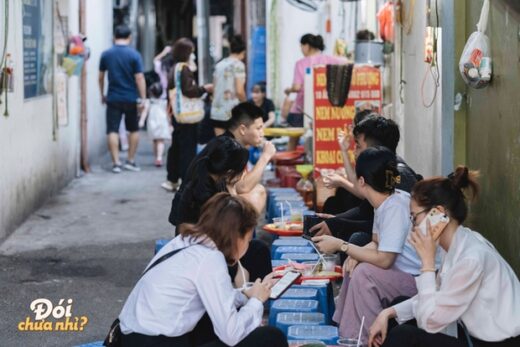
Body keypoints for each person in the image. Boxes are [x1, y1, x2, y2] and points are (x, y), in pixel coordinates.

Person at [368, 167, 520, 347]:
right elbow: (435, 297)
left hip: (502, 344)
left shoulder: (471, 258)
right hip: (472, 338)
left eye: (414, 218)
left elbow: (430, 322)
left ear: (438, 213)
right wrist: (388, 312)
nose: (413, 227)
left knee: (404, 336)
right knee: (397, 308)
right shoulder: (456, 244)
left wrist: (427, 263)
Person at [120, 193, 288, 347]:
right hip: (156, 342)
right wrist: (256, 301)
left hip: (130, 338)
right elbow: (231, 334)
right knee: (271, 337)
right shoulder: (210, 259)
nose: (248, 244)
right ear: (237, 236)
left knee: (217, 319)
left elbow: (218, 297)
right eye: (248, 238)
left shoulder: (184, 241)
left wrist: (246, 295)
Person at [312, 146, 427, 344]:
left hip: (418, 280)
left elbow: (385, 259)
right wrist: (354, 254)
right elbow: (375, 242)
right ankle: (344, 332)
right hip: (402, 273)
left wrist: (342, 246)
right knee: (354, 263)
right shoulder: (383, 203)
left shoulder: (395, 206)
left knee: (365, 273)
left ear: (362, 181)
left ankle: (364, 338)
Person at [169, 136, 272, 285]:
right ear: (230, 172)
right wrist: (232, 193)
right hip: (206, 255)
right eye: (241, 171)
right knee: (259, 251)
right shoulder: (215, 196)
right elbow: (235, 234)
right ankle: (259, 298)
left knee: (256, 249)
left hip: (196, 247)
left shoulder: (201, 177)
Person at [311, 116, 422, 247]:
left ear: (374, 150)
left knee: (358, 238)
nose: (355, 152)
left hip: (401, 253)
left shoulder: (398, 177)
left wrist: (338, 225)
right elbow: (365, 210)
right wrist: (336, 220)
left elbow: (385, 227)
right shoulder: (382, 169)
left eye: (358, 146)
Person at [162, 38, 213, 192]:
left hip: (178, 115)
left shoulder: (175, 68)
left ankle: (172, 179)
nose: (193, 55)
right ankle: (186, 181)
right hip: (187, 117)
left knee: (176, 147)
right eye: (191, 52)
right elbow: (189, 90)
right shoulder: (184, 69)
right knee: (187, 149)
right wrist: (204, 89)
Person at [284, 33, 347, 150]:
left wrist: (288, 90)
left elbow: (297, 87)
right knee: (321, 139)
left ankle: (290, 165)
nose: (301, 49)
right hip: (324, 108)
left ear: (307, 46)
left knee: (293, 140)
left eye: (302, 46)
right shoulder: (330, 59)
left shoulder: (301, 63)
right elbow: (346, 62)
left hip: (301, 109)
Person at [99, 24, 146, 173]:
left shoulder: (106, 54)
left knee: (112, 129)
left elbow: (100, 77)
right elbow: (139, 77)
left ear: (114, 37)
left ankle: (116, 163)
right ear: (129, 38)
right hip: (131, 98)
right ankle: (130, 161)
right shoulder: (134, 55)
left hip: (113, 97)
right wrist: (143, 97)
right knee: (133, 129)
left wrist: (102, 94)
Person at [222, 102, 277, 213]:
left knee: (258, 189)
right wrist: (265, 156)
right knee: (258, 193)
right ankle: (245, 230)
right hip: (199, 216)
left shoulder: (228, 141)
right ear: (242, 129)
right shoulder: (232, 148)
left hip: (206, 207)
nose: (262, 133)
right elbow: (242, 187)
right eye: (258, 128)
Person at [211, 35, 247, 136]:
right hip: (232, 111)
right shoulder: (239, 65)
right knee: (234, 145)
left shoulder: (219, 65)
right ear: (243, 52)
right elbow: (239, 91)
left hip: (217, 111)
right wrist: (246, 105)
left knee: (221, 145)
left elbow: (214, 88)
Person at [138, 83, 170, 167]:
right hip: (162, 122)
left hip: (152, 123)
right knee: (160, 141)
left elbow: (145, 112)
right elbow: (168, 114)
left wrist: (141, 121)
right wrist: (170, 123)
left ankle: (157, 157)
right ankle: (159, 158)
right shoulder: (164, 102)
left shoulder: (149, 102)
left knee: (155, 140)